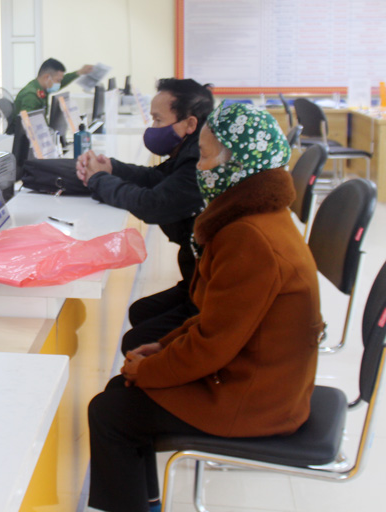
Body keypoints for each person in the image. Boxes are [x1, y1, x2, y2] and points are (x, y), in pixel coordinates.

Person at [86, 103, 324, 512]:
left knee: (111, 412)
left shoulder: (249, 237)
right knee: (120, 394)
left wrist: (149, 369)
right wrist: (161, 349)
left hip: (259, 398)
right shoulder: (256, 214)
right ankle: (145, 501)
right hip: (258, 376)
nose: (199, 166)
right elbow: (212, 318)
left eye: (207, 156)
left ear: (238, 164)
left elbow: (213, 343)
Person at [75, 78, 213, 355]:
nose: (152, 127)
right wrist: (111, 168)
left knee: (136, 339)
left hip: (209, 287)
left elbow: (152, 204)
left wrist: (99, 179)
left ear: (190, 123)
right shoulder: (192, 147)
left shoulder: (199, 160)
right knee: (141, 311)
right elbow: (157, 178)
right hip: (198, 275)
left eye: (158, 119)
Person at [8, 58, 94, 133]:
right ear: (47, 77)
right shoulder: (31, 95)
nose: (59, 84)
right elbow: (28, 125)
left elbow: (63, 81)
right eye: (58, 80)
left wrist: (79, 72)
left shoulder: (41, 88)